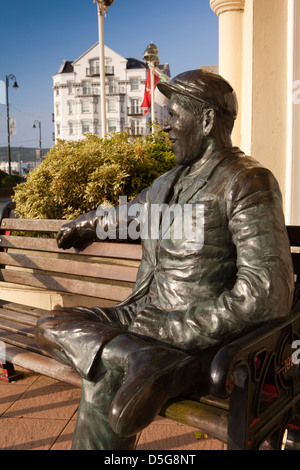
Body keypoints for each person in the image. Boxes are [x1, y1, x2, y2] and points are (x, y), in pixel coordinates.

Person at [35, 69, 295, 450]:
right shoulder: (167, 182)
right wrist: (88, 222)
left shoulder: (247, 182)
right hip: (140, 315)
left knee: (103, 373)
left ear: (206, 120)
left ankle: (152, 360)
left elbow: (267, 291)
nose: (166, 127)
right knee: (49, 323)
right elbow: (131, 214)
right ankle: (138, 355)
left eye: (175, 116)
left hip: (195, 340)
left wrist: (175, 328)